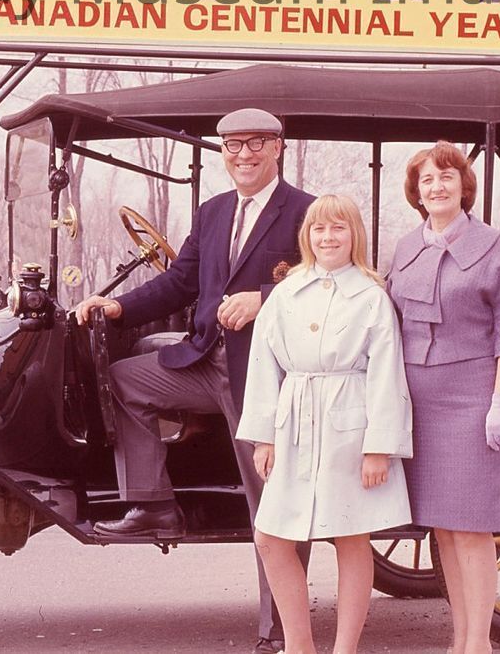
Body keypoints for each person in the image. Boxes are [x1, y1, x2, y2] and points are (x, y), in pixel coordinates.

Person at [73, 106, 315, 654]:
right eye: (232, 145)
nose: (244, 154)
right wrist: (116, 306)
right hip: (206, 363)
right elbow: (180, 282)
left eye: (256, 143)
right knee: (124, 381)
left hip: (268, 379)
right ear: (223, 152)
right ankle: (153, 504)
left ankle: (279, 631)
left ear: (278, 147)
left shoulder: (306, 211)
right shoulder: (212, 212)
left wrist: (265, 299)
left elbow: (330, 278)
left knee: (272, 504)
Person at [238, 196, 412, 654]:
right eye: (319, 229)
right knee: (270, 537)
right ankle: (300, 644)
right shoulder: (286, 294)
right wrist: (263, 438)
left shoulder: (371, 297)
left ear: (354, 235)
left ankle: (345, 649)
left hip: (349, 426)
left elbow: (386, 374)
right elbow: (263, 366)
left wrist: (378, 448)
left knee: (351, 535)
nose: (328, 238)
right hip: (295, 422)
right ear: (306, 236)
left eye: (338, 228)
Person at [387, 143, 500, 654]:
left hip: (472, 400)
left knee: (471, 529)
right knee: (444, 530)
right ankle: (459, 639)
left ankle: (479, 643)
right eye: (427, 180)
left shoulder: (491, 245)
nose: (437, 187)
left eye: (446, 177)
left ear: (463, 186)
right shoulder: (405, 248)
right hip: (417, 404)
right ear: (416, 192)